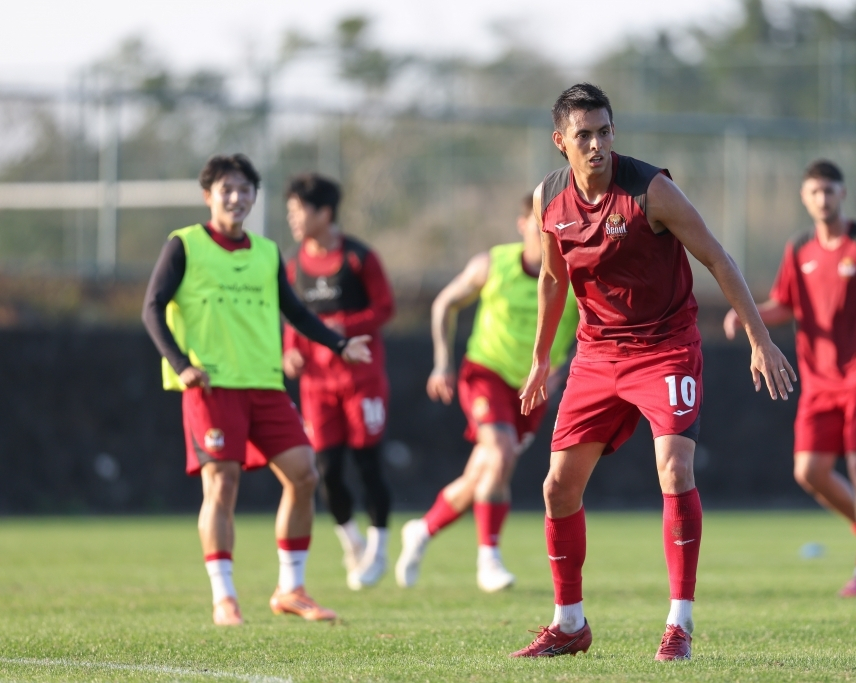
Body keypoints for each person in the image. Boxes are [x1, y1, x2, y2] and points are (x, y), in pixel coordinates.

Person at [510, 83, 796, 661]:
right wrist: (542, 356)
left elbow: (717, 256)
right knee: (557, 486)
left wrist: (759, 337)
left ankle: (679, 625)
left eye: (605, 131)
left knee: (674, 466)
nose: (596, 145)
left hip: (665, 346)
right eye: (583, 135)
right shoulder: (548, 198)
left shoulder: (651, 190)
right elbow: (551, 278)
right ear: (559, 141)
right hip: (596, 353)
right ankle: (569, 624)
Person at [142, 154, 371, 626]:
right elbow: (152, 308)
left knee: (305, 474)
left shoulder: (267, 252)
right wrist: (181, 365)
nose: (237, 197)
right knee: (222, 483)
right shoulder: (183, 245)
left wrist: (340, 343)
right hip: (211, 386)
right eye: (227, 189)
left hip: (264, 384)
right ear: (209, 195)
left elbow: (298, 312)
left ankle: (292, 589)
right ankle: (224, 597)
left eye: (245, 189)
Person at [723, 159, 856, 597]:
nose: (823, 198)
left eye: (830, 191)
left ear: (843, 194)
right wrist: (748, 316)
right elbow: (784, 304)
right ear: (804, 197)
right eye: (815, 191)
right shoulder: (799, 250)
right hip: (819, 381)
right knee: (809, 471)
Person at [395, 195, 579, 593]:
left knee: (482, 473)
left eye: (556, 228)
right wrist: (442, 362)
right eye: (539, 225)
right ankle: (488, 559)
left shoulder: (577, 276)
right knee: (499, 452)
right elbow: (444, 303)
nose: (548, 235)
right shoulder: (493, 265)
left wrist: (565, 367)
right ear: (522, 225)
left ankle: (422, 531)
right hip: (486, 374)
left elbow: (597, 327)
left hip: (533, 388)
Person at [282, 173, 395, 591]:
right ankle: (352, 541)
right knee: (325, 469)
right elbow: (293, 318)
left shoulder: (359, 259)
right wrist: (289, 350)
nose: (292, 219)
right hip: (316, 386)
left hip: (361, 381)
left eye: (299, 211)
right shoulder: (293, 265)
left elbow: (384, 308)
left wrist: (339, 327)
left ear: (324, 212)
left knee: (368, 464)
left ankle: (380, 547)